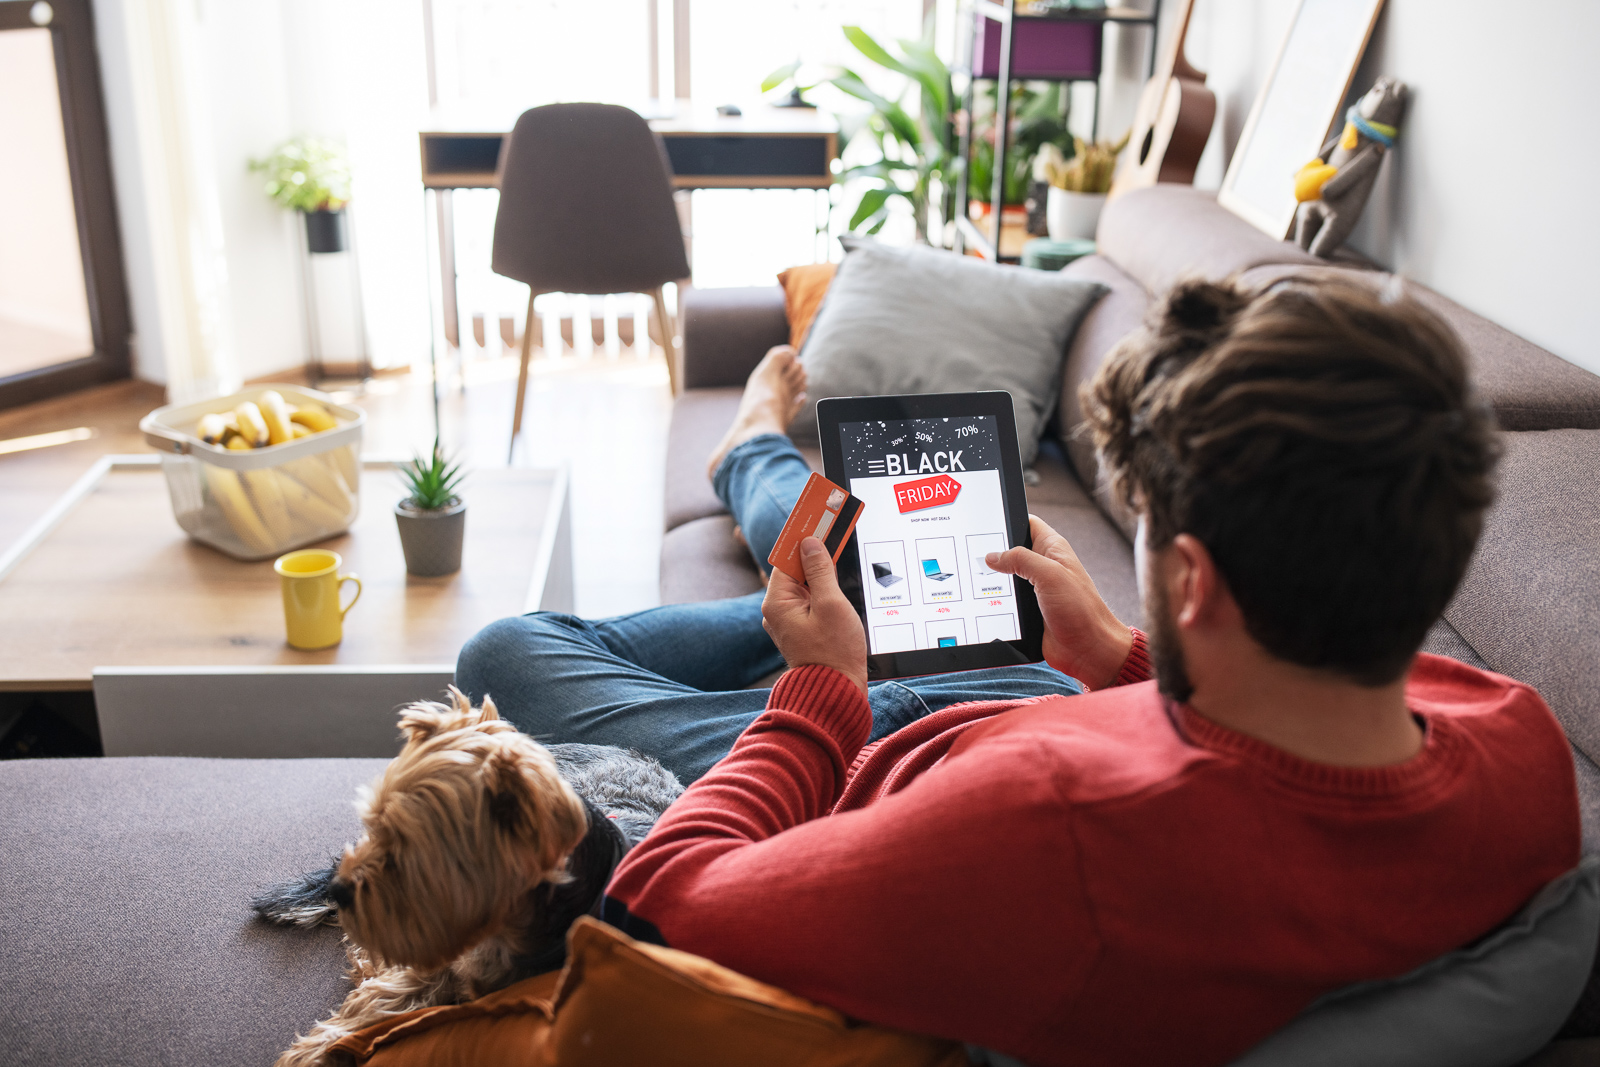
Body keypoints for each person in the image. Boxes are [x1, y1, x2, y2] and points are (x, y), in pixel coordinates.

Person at [458, 276, 1580, 1067]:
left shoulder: (1054, 832)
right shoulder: (1516, 735)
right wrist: (1118, 660)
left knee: (507, 651)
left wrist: (821, 698)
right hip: (1041, 708)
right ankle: (780, 504)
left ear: (1190, 579)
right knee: (870, 565)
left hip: (886, 769)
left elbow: (658, 909)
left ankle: (764, 475)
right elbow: (1280, 767)